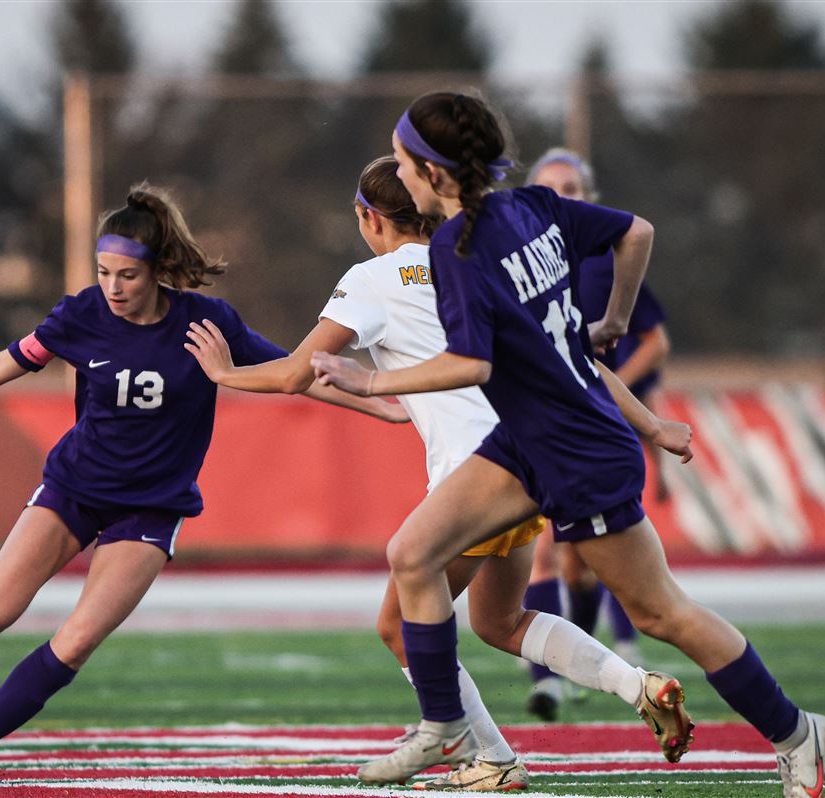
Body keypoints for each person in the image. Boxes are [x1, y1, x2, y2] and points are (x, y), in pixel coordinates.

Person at [310, 92, 825, 798]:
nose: (398, 176)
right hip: (525, 438)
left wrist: (370, 383)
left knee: (661, 614)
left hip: (573, 450)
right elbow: (637, 233)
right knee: (412, 554)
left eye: (405, 163)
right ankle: (445, 723)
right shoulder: (531, 205)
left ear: (435, 173)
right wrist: (610, 321)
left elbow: (473, 366)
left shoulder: (456, 246)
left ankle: (798, 732)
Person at [0, 184, 404, 782]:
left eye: (128, 276)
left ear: (159, 271)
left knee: (78, 640)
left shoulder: (207, 323)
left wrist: (390, 406)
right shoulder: (80, 315)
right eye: (104, 272)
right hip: (74, 490)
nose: (113, 288)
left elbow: (298, 374)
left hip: (151, 509)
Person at [185, 157, 697, 791]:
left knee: (399, 626)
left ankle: (492, 757)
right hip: (530, 457)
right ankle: (638, 685)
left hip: (474, 474)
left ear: (368, 218)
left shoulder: (372, 278)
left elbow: (296, 371)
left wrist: (223, 374)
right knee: (499, 623)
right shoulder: (476, 259)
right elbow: (569, 357)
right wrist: (652, 426)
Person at [521, 148, 673, 718]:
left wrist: (607, 389)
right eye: (549, 187)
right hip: (534, 426)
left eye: (573, 187)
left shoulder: (607, 261)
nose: (562, 196)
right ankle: (549, 683)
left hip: (591, 425)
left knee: (579, 566)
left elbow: (650, 341)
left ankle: (588, 659)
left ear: (590, 197)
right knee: (542, 557)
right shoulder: (516, 262)